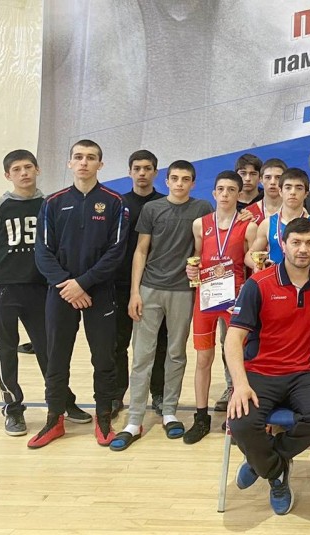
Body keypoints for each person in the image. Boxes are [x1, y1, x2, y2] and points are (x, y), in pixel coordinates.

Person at [227, 218, 310, 515]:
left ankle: (265, 460)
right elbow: (233, 339)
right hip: (260, 372)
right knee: (241, 423)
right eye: (296, 242)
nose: (303, 249)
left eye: (309, 243)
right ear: (283, 244)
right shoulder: (258, 284)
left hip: (304, 373)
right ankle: (276, 473)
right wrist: (240, 385)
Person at [0, 150, 87, 437]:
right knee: (5, 352)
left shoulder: (50, 204)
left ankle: (62, 401)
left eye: (28, 167)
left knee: (50, 350)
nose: (23, 173)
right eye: (16, 169)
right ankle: (13, 408)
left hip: (40, 288)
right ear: (7, 175)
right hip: (4, 289)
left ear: (37, 169)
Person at [29, 140, 129, 448]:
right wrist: (68, 285)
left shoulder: (114, 202)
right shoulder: (53, 202)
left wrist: (83, 284)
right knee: (56, 357)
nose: (84, 162)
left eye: (91, 157)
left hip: (99, 292)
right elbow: (42, 252)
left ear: (101, 164)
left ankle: (103, 418)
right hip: (61, 293)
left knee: (104, 357)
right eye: (78, 157)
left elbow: (116, 252)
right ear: (70, 163)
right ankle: (54, 419)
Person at [110, 160, 213, 450]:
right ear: (166, 181)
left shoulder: (202, 208)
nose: (180, 183)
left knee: (176, 353)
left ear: (193, 183)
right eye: (175, 178)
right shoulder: (152, 209)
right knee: (142, 355)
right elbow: (141, 250)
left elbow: (205, 246)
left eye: (185, 179)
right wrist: (135, 292)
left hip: (183, 292)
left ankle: (169, 412)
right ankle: (134, 419)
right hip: (150, 289)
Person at [181, 171, 257, 444]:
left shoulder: (248, 225)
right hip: (206, 297)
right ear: (213, 193)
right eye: (221, 189)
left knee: (238, 357)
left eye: (231, 190)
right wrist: (192, 270)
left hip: (235, 298)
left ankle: (237, 417)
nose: (225, 194)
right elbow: (197, 257)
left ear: (239, 194)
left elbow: (252, 260)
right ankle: (201, 417)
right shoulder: (200, 224)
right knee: (203, 358)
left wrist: (258, 268)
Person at [113, 150, 168, 418]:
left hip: (158, 284)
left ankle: (158, 393)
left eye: (147, 168)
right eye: (137, 168)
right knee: (118, 342)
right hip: (122, 284)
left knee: (159, 343)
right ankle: (116, 394)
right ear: (129, 172)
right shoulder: (118, 204)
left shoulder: (165, 203)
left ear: (156, 172)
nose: (142, 173)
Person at [246, 158, 287, 225]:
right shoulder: (249, 212)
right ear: (261, 180)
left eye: (278, 177)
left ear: (285, 180)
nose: (272, 182)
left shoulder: (295, 209)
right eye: (268, 177)